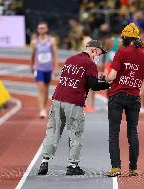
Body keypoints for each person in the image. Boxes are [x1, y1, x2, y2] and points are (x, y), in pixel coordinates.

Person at [37, 40, 110, 176]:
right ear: (94, 50)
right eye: (100, 52)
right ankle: (72, 165)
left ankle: (44, 161)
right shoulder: (90, 63)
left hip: (58, 99)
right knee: (75, 133)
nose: (99, 55)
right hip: (74, 101)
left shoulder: (71, 59)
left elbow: (76, 77)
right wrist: (109, 85)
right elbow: (94, 85)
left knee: (53, 131)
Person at [104, 23, 144, 177]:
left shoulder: (121, 52)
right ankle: (133, 169)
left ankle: (116, 168)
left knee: (114, 133)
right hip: (135, 97)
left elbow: (112, 76)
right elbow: (143, 76)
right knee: (133, 133)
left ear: (125, 38)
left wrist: (104, 77)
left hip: (117, 95)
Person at [31, 21, 59, 118]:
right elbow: (33, 55)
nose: (41, 30)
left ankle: (44, 107)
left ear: (46, 29)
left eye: (43, 28)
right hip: (39, 68)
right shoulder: (34, 42)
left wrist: (56, 68)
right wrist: (31, 65)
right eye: (40, 28)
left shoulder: (52, 41)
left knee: (46, 89)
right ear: (38, 30)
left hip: (48, 68)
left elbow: (55, 55)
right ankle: (42, 109)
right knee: (40, 88)